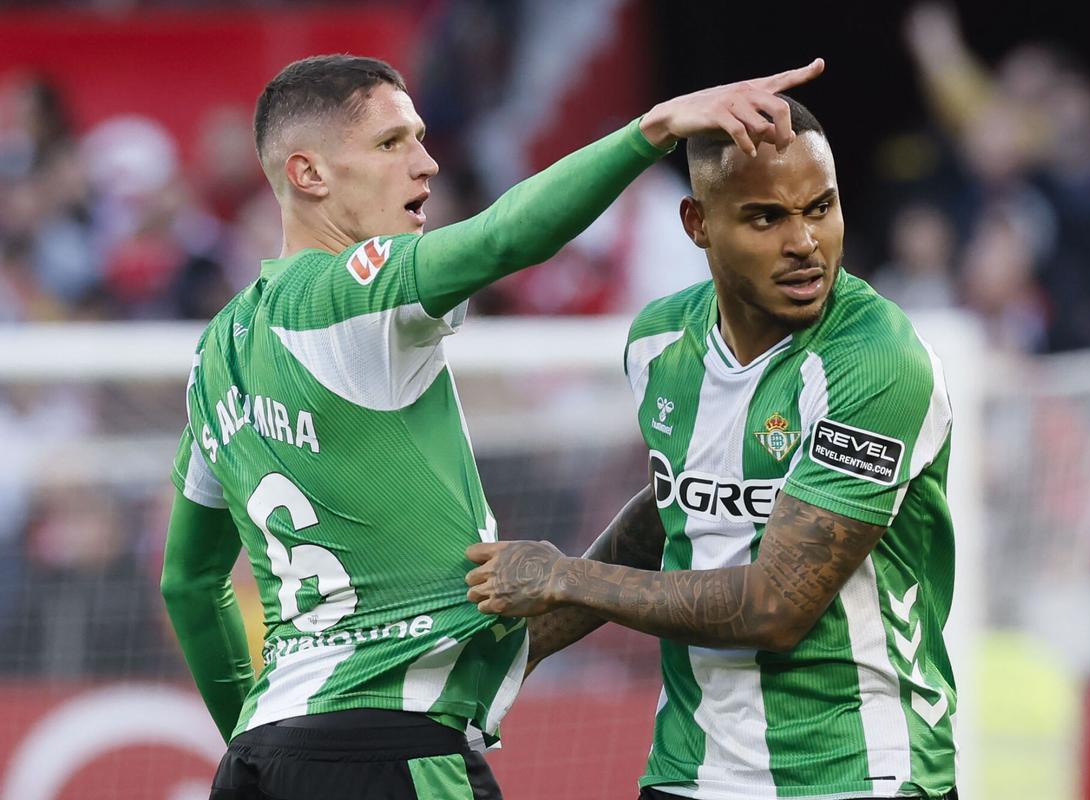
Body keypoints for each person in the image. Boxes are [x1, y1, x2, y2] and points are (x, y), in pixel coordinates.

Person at [159, 53, 825, 800]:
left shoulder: (217, 352)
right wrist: (654, 129)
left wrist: (257, 734)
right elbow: (504, 238)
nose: (427, 162)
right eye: (391, 144)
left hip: (261, 756)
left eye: (420, 137)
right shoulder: (354, 295)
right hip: (392, 747)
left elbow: (188, 581)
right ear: (309, 175)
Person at [466, 96, 958, 799]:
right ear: (698, 223)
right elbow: (674, 508)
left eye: (821, 207)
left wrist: (563, 576)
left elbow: (775, 608)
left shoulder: (876, 363)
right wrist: (519, 652)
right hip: (688, 772)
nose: (805, 243)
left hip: (857, 774)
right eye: (767, 217)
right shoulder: (660, 342)